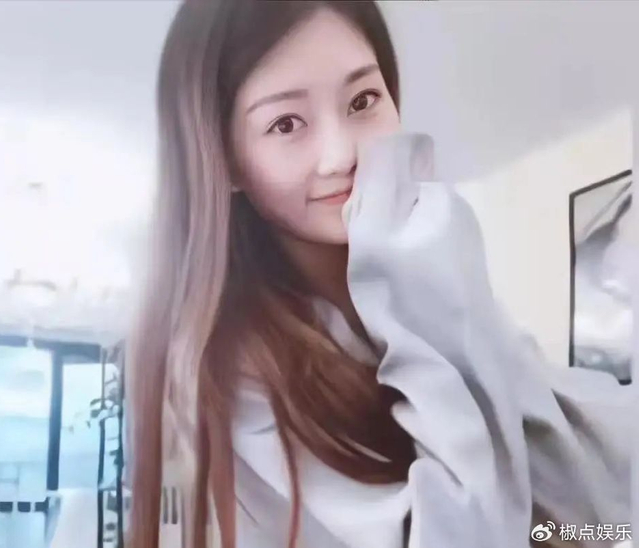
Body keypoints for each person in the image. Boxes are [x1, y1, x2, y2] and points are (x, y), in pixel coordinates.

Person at [127, 1, 632, 547]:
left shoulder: (426, 279)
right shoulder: (234, 365)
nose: (341, 155)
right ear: (225, 160)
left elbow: (584, 488)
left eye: (362, 100)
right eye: (285, 124)